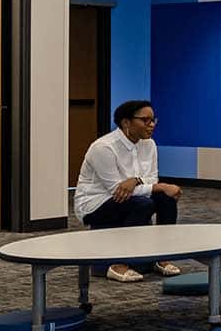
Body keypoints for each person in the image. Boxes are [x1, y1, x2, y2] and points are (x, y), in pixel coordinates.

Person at [74, 99, 183, 283]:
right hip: (96, 204)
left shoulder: (149, 145)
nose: (151, 125)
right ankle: (119, 263)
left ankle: (162, 257)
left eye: (153, 120)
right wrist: (156, 185)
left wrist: (136, 180)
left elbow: (150, 180)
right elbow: (117, 190)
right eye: (145, 120)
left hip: (130, 197)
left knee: (166, 198)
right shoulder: (103, 148)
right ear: (126, 123)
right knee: (143, 203)